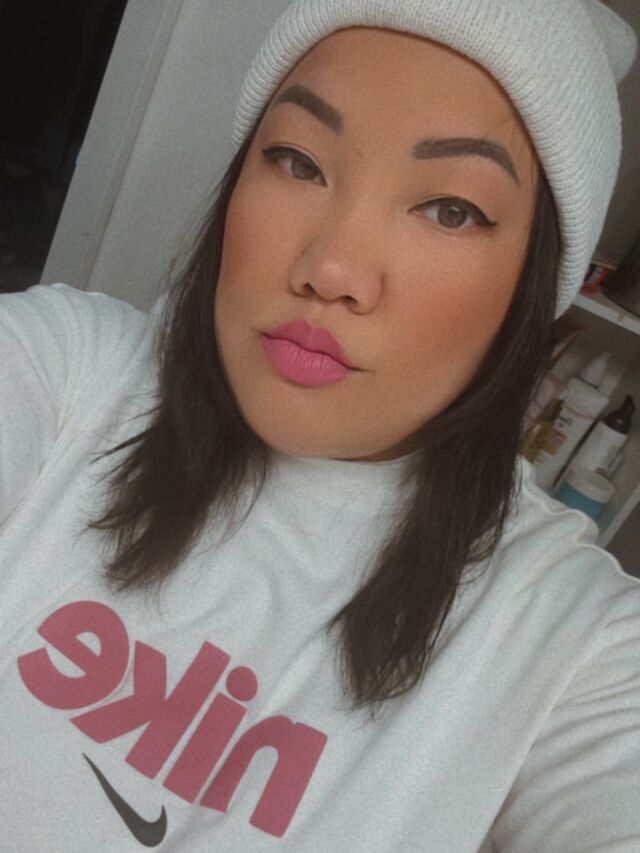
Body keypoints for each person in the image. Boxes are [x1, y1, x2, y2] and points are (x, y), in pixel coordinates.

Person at [1, 0, 639, 849]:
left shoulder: (569, 637)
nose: (331, 267)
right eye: (298, 161)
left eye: (451, 209)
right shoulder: (64, 372)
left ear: (531, 287)